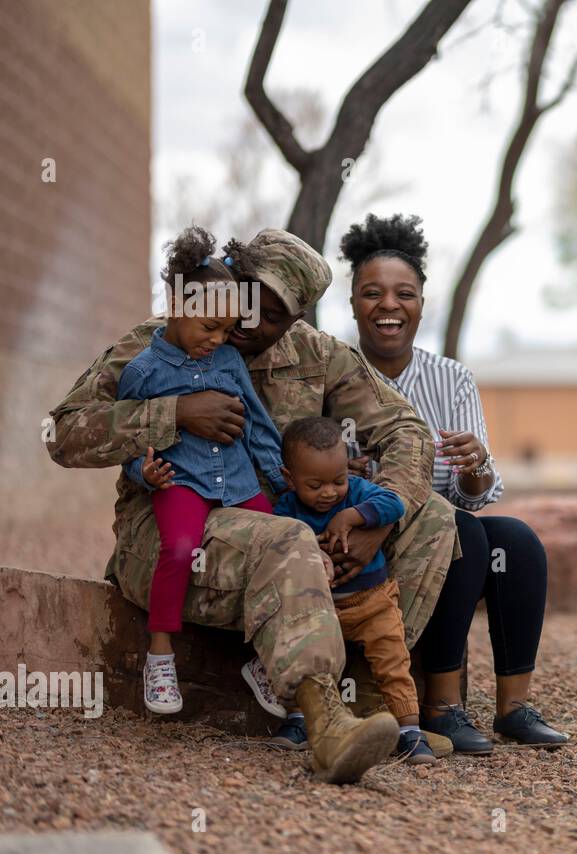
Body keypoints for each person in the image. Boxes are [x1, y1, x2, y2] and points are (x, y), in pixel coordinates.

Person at [45, 227, 458, 783]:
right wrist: (175, 413)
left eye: (269, 316)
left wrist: (373, 526)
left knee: (432, 515)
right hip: (175, 538)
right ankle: (326, 725)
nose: (244, 324)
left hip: (276, 525)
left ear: (296, 319)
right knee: (287, 538)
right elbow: (62, 434)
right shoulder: (159, 343)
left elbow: (408, 430)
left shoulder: (316, 354)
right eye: (243, 302)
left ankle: (362, 697)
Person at [334, 212, 569, 753]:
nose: (389, 305)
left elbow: (479, 492)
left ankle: (512, 707)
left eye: (405, 294)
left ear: (421, 303)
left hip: (452, 529)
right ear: (352, 303)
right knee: (464, 531)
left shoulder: (451, 378)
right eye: (372, 293)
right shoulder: (335, 375)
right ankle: (442, 706)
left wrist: (475, 465)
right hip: (367, 534)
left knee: (517, 540)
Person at [119, 227, 286, 715]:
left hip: (236, 481)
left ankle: (261, 661)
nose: (218, 339)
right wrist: (141, 473)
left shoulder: (230, 360)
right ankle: (161, 654)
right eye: (209, 326)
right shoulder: (143, 371)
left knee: (283, 541)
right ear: (176, 305)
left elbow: (255, 423)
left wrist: (279, 478)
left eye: (226, 328)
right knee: (179, 547)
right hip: (182, 482)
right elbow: (128, 438)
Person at [269, 416, 438, 765]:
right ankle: (302, 720)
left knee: (393, 663)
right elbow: (277, 538)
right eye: (315, 485)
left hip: (373, 602)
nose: (329, 492)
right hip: (321, 608)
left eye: (338, 480)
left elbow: (395, 504)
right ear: (289, 478)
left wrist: (353, 516)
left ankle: (409, 730)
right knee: (313, 661)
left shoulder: (358, 492)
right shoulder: (287, 507)